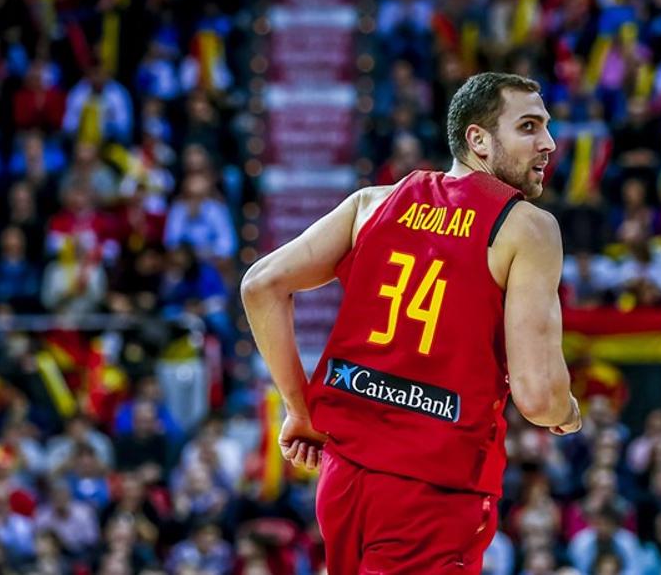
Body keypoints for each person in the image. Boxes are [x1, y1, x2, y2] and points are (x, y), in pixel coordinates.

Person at [241, 72, 582, 573]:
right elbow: (537, 396)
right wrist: (567, 411)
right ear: (478, 139)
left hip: (344, 478)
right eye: (529, 127)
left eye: (546, 127)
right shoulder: (527, 228)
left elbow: (260, 285)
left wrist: (300, 409)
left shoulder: (372, 203)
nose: (548, 143)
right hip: (433, 491)